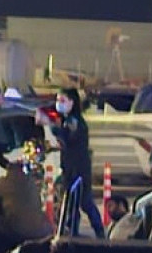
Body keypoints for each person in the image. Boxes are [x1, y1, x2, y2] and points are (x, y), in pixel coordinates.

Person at [39, 87, 105, 237]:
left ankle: (98, 233)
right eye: (57, 100)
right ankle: (75, 232)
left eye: (62, 100)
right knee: (73, 203)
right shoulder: (68, 120)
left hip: (78, 169)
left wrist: (51, 125)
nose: (58, 103)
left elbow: (68, 139)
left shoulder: (74, 121)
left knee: (83, 202)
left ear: (72, 102)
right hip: (72, 167)